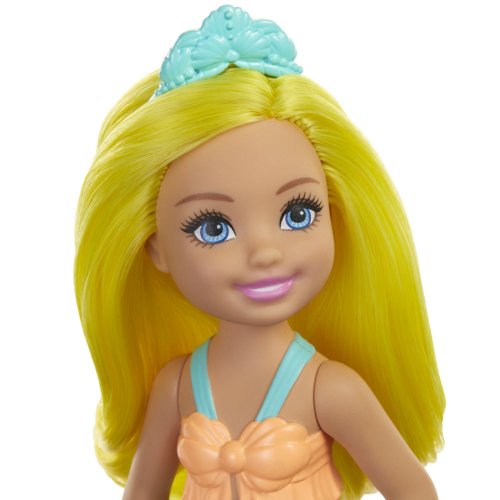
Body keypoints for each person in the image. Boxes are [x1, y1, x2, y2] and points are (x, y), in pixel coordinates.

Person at [74, 5, 445, 499]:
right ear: (155, 248)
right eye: (213, 228)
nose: (265, 253)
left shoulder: (329, 389)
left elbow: (415, 491)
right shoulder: (176, 386)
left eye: (298, 214)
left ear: (336, 218)